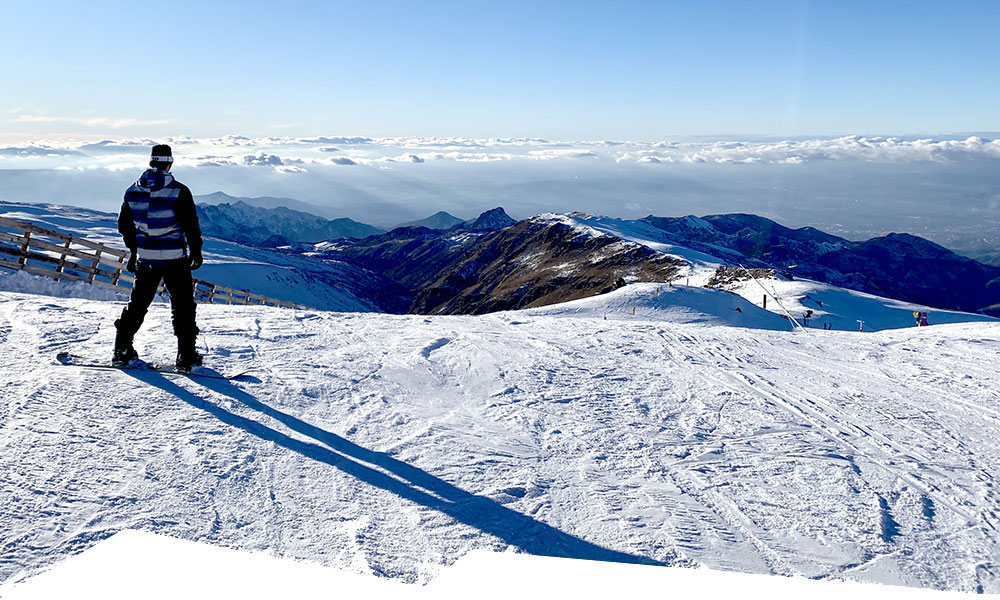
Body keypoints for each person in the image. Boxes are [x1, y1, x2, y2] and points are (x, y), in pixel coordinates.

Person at [113, 144, 205, 370]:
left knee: (137, 304)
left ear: (151, 162)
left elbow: (124, 226)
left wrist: (134, 252)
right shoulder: (178, 190)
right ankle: (186, 356)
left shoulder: (132, 190)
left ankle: (122, 350)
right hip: (175, 258)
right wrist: (196, 250)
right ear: (169, 162)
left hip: (146, 258)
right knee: (182, 306)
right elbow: (190, 225)